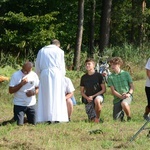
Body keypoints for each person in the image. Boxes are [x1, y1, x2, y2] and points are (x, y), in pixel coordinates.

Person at [35, 39, 68, 123]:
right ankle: (56, 117)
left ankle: (44, 117)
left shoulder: (42, 51)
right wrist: (62, 76)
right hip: (56, 74)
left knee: (45, 95)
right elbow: (62, 66)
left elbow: (37, 65)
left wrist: (39, 75)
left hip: (44, 73)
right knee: (56, 95)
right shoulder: (60, 51)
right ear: (58, 45)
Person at [107, 57, 134, 122]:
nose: (112, 66)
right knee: (116, 120)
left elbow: (132, 86)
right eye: (111, 65)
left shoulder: (126, 74)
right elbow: (113, 91)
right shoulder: (110, 77)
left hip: (127, 95)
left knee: (124, 103)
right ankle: (121, 115)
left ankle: (129, 117)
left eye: (114, 64)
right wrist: (121, 96)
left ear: (119, 64)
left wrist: (129, 94)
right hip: (117, 98)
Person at [80, 58, 106, 123]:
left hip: (98, 96)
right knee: (92, 120)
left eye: (89, 64)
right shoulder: (83, 77)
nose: (87, 65)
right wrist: (87, 98)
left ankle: (98, 117)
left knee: (97, 100)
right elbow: (82, 92)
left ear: (93, 65)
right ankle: (95, 119)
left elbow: (103, 90)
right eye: (86, 64)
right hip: (88, 99)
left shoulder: (99, 76)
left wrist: (93, 96)